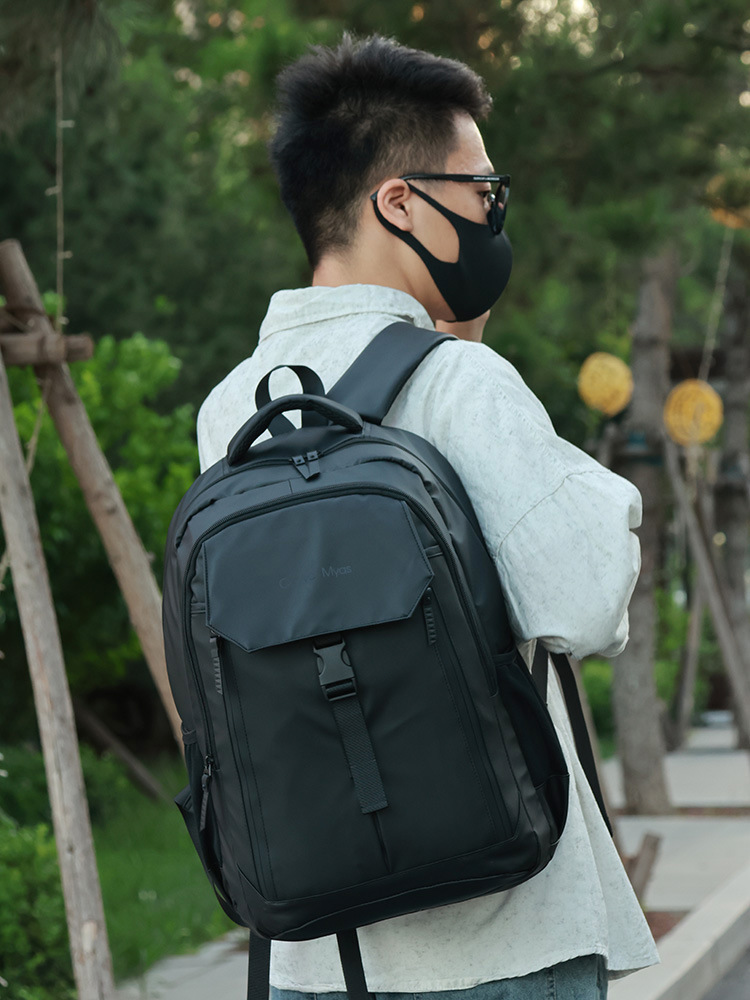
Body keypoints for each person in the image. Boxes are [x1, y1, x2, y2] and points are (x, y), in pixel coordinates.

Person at [196, 32, 660, 1000]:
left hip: (317, 943)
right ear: (400, 202)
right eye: (483, 190)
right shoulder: (459, 381)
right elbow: (585, 601)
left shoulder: (232, 405)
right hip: (501, 934)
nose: (494, 215)